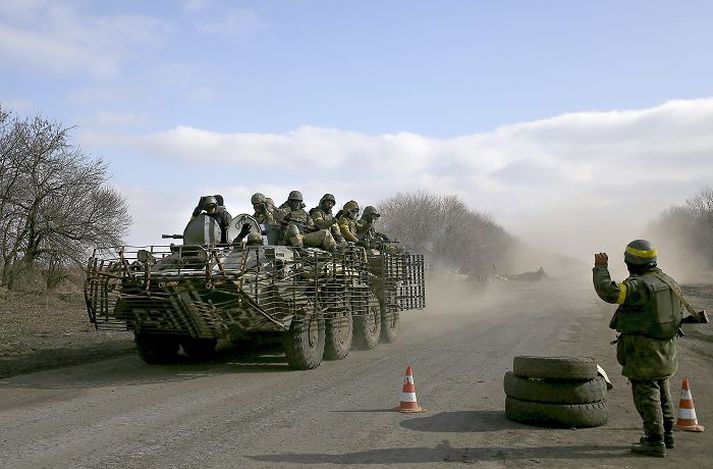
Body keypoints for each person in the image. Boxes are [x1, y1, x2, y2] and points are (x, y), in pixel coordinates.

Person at [593, 239, 684, 457]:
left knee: (646, 392)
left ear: (630, 262)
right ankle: (667, 434)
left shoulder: (639, 285)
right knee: (663, 388)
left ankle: (654, 440)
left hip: (644, 349)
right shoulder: (668, 280)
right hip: (666, 346)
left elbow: (610, 292)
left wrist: (601, 269)